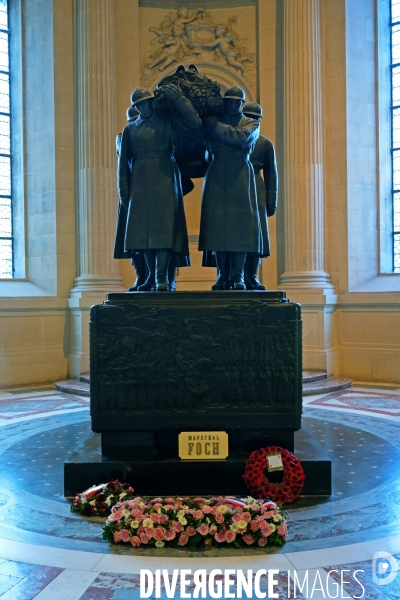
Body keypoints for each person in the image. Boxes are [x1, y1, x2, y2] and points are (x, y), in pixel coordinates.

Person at [118, 84, 202, 291]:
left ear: (152, 102)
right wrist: (123, 189)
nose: (143, 108)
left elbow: (195, 124)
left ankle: (161, 278)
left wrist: (180, 100)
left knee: (163, 231)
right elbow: (123, 163)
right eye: (139, 105)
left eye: (146, 103)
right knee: (144, 233)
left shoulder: (167, 122)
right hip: (139, 180)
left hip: (165, 176)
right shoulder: (130, 129)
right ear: (135, 108)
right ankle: (148, 279)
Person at [199, 86, 261, 290]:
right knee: (218, 229)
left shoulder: (250, 123)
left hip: (240, 175)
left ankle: (238, 276)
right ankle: (222, 276)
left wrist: (214, 127)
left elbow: (241, 138)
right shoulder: (215, 120)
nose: (233, 104)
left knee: (240, 229)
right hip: (216, 173)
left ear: (242, 104)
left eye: (237, 101)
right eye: (230, 101)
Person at [242, 101, 278, 290]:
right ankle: (234, 276)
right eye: (249, 117)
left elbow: (271, 174)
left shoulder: (265, 144)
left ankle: (250, 276)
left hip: (256, 188)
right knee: (236, 235)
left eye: (256, 118)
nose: (253, 120)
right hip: (237, 186)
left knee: (256, 237)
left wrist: (272, 201)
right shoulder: (236, 139)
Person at [114, 105, 149, 291]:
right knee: (134, 242)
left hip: (152, 193)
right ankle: (141, 276)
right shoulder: (123, 138)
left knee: (157, 239)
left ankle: (156, 277)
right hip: (132, 192)